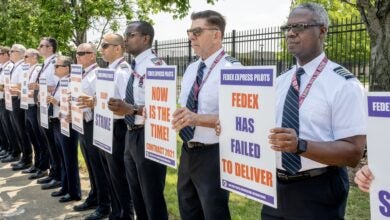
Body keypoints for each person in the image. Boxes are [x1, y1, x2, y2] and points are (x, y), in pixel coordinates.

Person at [260, 3, 366, 219]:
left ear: (322, 31)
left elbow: (354, 153)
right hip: (274, 188)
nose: (291, 33)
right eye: (288, 28)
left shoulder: (344, 84)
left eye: (300, 27)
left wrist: (300, 145)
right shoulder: (280, 82)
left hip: (318, 189)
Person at [171, 10, 241, 220]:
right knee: (188, 209)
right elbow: (185, 107)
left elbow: (239, 119)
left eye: (197, 31)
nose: (191, 37)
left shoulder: (233, 69)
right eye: (189, 31)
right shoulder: (192, 68)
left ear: (216, 35)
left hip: (214, 155)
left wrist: (196, 119)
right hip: (187, 150)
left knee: (213, 212)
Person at [108, 21, 168, 220]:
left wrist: (131, 108)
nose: (125, 39)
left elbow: (163, 109)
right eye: (125, 35)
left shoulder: (156, 66)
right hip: (131, 134)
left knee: (152, 197)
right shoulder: (136, 66)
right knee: (137, 193)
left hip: (150, 136)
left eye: (130, 35)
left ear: (145, 38)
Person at [73, 43, 111, 220]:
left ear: (92, 55)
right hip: (82, 123)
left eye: (82, 53)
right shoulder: (81, 73)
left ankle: (104, 205)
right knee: (90, 164)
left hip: (94, 124)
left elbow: (103, 100)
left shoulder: (97, 74)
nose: (78, 56)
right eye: (77, 53)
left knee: (98, 166)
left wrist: (92, 102)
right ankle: (94, 196)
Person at [99, 33, 134, 220]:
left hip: (117, 127)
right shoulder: (110, 70)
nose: (101, 49)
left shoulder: (122, 71)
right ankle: (116, 213)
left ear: (118, 48)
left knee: (119, 176)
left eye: (105, 45)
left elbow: (126, 105)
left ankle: (125, 215)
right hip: (105, 125)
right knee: (111, 175)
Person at [47, 55, 81, 203]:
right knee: (62, 157)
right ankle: (65, 187)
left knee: (69, 159)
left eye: (57, 66)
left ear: (67, 68)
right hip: (57, 123)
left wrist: (56, 101)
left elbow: (73, 104)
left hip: (67, 124)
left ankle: (74, 191)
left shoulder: (72, 82)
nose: (54, 68)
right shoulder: (61, 81)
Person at [34, 37, 62, 190]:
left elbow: (57, 85)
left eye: (42, 45)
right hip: (43, 107)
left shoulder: (54, 63)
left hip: (51, 108)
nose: (39, 48)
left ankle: (57, 175)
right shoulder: (46, 64)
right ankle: (53, 172)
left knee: (53, 143)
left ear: (50, 48)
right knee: (49, 143)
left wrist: (40, 86)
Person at [22, 48, 50, 180]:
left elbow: (35, 87)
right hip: (27, 105)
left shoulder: (38, 69)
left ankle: (43, 166)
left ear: (34, 57)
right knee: (33, 136)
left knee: (39, 138)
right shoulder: (28, 69)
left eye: (26, 56)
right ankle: (37, 164)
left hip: (34, 106)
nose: (24, 59)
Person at [7, 44, 32, 169]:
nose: (10, 53)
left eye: (13, 51)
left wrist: (14, 88)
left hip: (18, 99)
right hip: (12, 99)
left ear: (21, 53)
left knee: (22, 130)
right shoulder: (16, 66)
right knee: (17, 129)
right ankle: (24, 157)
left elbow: (23, 84)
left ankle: (27, 158)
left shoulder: (23, 66)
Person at [0, 46, 18, 163]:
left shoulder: (10, 67)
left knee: (10, 128)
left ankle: (14, 151)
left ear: (6, 55)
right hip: (3, 99)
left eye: (1, 53)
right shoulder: (3, 67)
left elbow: (7, 85)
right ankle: (8, 149)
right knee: (4, 127)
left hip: (8, 99)